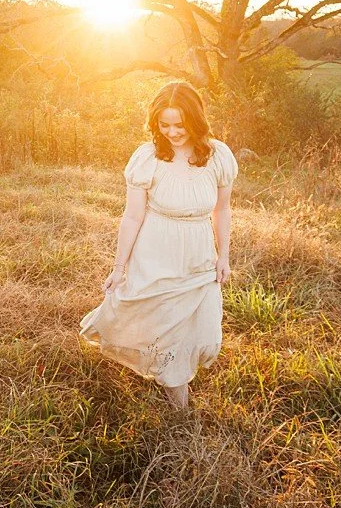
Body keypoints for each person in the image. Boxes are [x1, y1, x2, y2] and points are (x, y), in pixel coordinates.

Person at [78, 80, 237, 412]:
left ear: (196, 120)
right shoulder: (148, 157)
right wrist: (119, 267)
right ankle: (179, 409)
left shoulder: (219, 156)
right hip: (156, 251)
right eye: (164, 125)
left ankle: (171, 379)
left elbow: (222, 209)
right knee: (164, 327)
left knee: (202, 332)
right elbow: (133, 216)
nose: (173, 132)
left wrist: (224, 255)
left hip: (198, 254)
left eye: (180, 124)